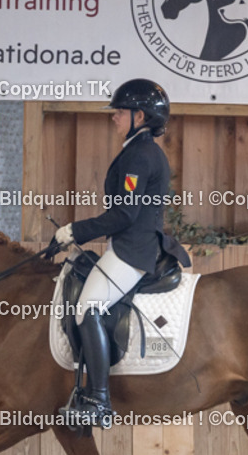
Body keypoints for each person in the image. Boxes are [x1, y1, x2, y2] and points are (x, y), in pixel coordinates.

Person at [53, 78, 191, 427]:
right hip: (129, 246)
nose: (114, 116)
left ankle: (99, 400)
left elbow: (124, 215)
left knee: (88, 308)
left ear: (139, 116)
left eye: (120, 111)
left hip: (133, 251)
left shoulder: (140, 156)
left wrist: (75, 231)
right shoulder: (139, 151)